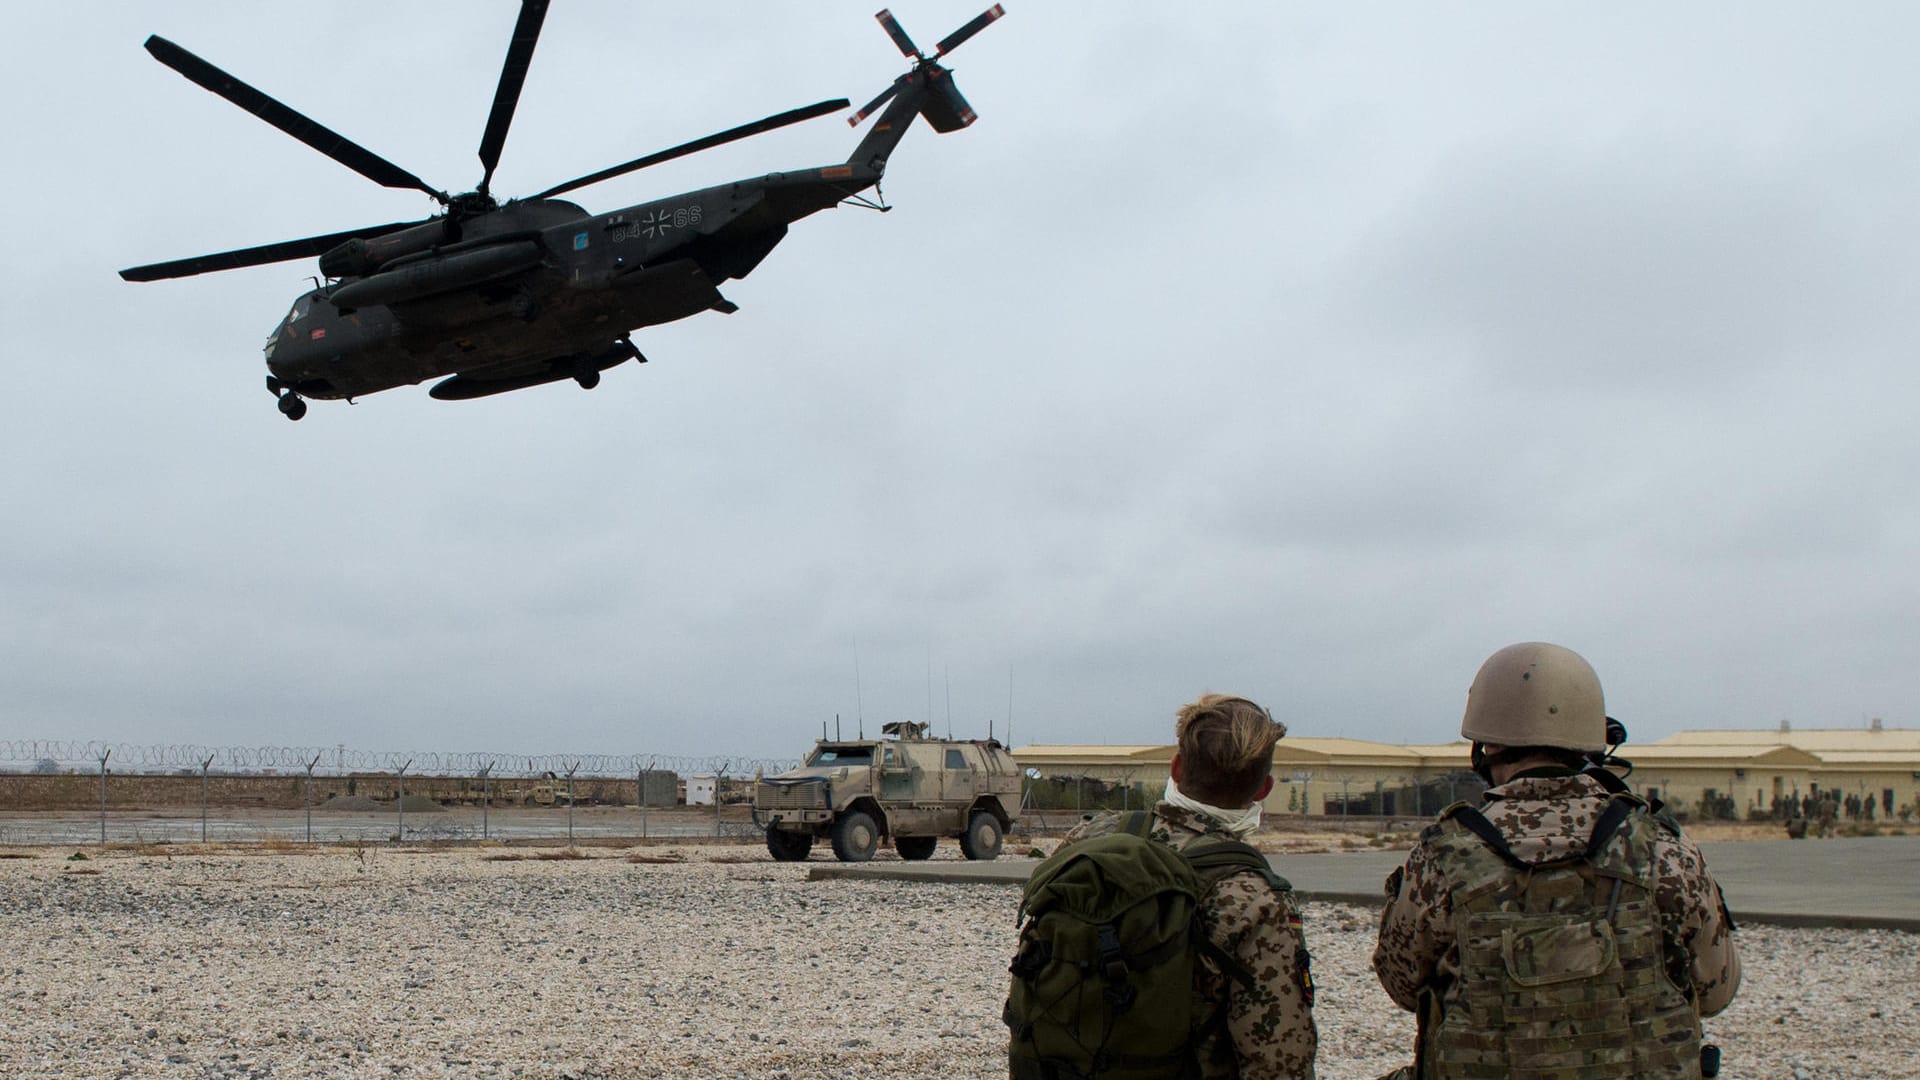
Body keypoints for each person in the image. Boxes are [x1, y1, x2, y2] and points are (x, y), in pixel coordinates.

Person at [1372, 642, 1740, 1079]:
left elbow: (1401, 984)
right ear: (1590, 737)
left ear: (1485, 745)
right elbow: (1717, 991)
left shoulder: (1444, 856)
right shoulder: (1662, 848)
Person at [1054, 694, 1318, 1079]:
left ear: (1176, 767)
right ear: (1264, 789)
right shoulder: (1255, 898)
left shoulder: (1090, 838)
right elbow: (1279, 1063)